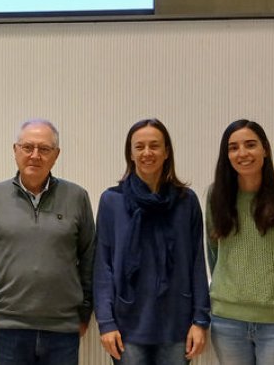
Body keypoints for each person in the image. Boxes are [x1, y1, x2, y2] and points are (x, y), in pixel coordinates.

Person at [93, 118, 210, 364]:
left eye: (154, 146)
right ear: (131, 154)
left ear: (166, 152)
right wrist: (106, 322)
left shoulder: (186, 201)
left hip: (177, 326)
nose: (147, 152)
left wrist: (200, 320)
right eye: (140, 147)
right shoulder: (111, 201)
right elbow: (103, 266)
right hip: (127, 327)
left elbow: (197, 263)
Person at [0, 119, 95, 365]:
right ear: (15, 150)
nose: (35, 155)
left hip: (62, 328)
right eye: (27, 147)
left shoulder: (77, 197)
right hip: (8, 326)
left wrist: (84, 311)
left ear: (56, 155)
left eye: (44, 149)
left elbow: (89, 257)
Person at [205, 120, 274, 365]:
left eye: (250, 145)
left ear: (266, 149)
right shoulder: (216, 195)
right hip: (227, 319)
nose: (242, 153)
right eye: (233, 147)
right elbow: (214, 254)